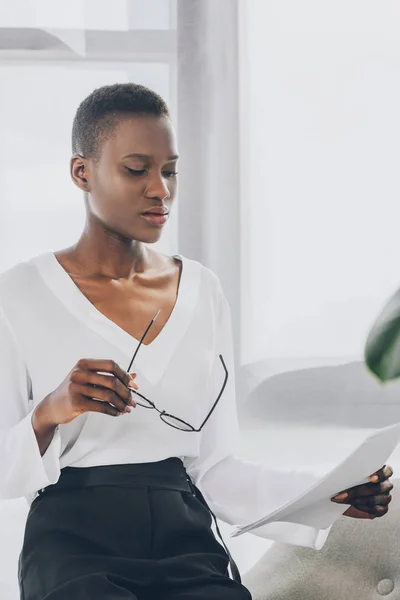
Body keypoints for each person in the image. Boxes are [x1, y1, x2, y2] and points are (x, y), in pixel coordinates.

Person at [0, 83, 393, 600]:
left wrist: (331, 493)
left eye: (170, 170)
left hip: (186, 539)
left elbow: (216, 467)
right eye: (137, 169)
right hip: (73, 545)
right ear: (82, 172)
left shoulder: (203, 290)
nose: (160, 189)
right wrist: (51, 410)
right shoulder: (18, 294)